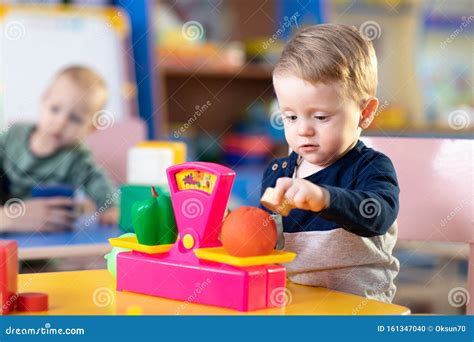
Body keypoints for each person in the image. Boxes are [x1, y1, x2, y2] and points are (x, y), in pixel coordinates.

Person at [260, 24, 400, 302]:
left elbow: (378, 216)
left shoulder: (370, 167)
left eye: (321, 117)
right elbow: (264, 242)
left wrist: (325, 198)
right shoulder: (278, 173)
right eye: (290, 117)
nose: (303, 130)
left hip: (360, 307)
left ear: (365, 112)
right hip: (292, 304)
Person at [0, 66, 119, 233]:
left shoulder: (76, 157)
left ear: (91, 128)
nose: (61, 122)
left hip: (48, 230)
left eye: (75, 119)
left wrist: (110, 207)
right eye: (55, 109)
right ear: (43, 102)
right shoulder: (15, 135)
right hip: (8, 222)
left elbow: (97, 181)